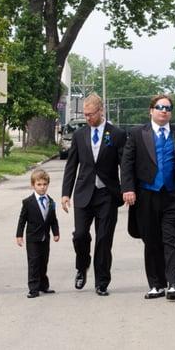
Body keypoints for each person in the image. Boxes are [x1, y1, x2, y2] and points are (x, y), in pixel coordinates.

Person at [121, 94, 175, 301]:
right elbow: (127, 164)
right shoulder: (137, 134)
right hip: (146, 194)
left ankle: (174, 283)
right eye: (160, 107)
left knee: (171, 238)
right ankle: (156, 284)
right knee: (151, 240)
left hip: (173, 195)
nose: (164, 111)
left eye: (168, 108)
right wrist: (128, 188)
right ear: (151, 110)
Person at [61, 93, 126, 296]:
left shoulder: (116, 134)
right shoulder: (80, 135)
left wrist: (128, 189)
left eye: (91, 114)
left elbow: (125, 164)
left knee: (104, 239)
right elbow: (71, 165)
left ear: (101, 111)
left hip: (107, 194)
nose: (87, 118)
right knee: (80, 235)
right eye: (85, 114)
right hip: (83, 193)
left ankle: (102, 281)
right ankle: (82, 266)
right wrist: (65, 194)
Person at [16, 169, 60, 298]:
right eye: (39, 184)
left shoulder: (51, 202)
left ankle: (43, 285)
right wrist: (19, 235)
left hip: (45, 238)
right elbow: (22, 219)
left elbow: (53, 219)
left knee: (43, 262)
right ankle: (33, 288)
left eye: (44, 184)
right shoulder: (28, 202)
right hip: (32, 238)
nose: (42, 187)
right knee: (34, 262)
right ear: (33, 185)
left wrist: (56, 232)